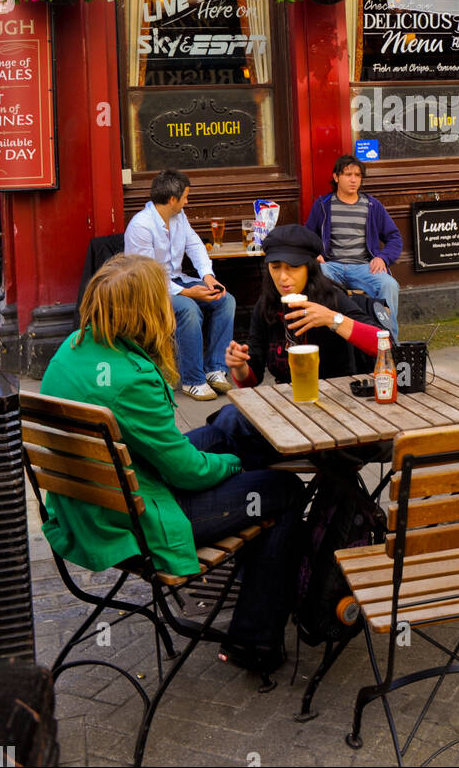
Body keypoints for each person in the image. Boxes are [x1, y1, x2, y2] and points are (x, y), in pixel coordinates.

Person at [40, 254, 304, 675]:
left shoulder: (72, 350)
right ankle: (254, 638)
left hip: (95, 498)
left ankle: (258, 573)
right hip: (137, 519)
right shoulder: (132, 379)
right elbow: (186, 472)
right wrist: (232, 466)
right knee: (284, 490)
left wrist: (223, 454)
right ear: (146, 311)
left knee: (228, 428)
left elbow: (159, 448)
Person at [205, 224, 385, 467]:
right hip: (286, 409)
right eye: (275, 267)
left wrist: (333, 319)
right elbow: (253, 379)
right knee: (228, 421)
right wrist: (239, 366)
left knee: (230, 428)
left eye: (292, 268)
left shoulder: (332, 299)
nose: (282, 277)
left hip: (339, 411)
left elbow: (384, 344)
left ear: (310, 268)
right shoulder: (266, 306)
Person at [124, 169, 234, 401]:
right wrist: (186, 292)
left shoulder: (179, 217)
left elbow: (195, 245)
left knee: (225, 299)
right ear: (172, 199)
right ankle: (193, 380)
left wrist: (208, 277)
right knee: (188, 307)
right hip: (150, 289)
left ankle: (215, 368)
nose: (187, 201)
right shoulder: (141, 226)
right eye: (185, 197)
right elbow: (146, 275)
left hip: (177, 280)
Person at [305, 154, 402, 340]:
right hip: (331, 266)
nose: (353, 180)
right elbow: (307, 236)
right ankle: (330, 340)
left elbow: (394, 237)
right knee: (318, 276)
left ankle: (389, 344)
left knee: (389, 285)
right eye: (348, 174)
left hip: (364, 267)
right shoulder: (323, 205)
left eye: (358, 175)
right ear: (336, 177)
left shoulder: (372, 205)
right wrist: (314, 253)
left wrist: (383, 258)